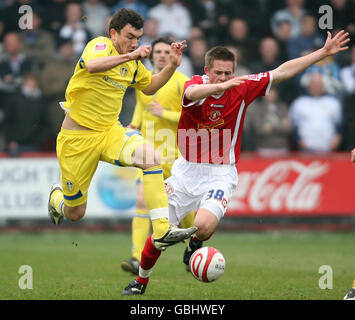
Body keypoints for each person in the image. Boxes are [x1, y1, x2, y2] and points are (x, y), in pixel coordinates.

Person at [122, 29, 350, 295]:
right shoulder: (194, 84)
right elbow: (193, 94)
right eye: (218, 72)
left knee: (204, 227)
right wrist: (219, 86)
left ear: (234, 71)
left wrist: (322, 53)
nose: (223, 78)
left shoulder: (242, 86)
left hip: (220, 173)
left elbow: (283, 71)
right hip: (186, 171)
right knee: (160, 235)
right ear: (207, 70)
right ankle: (141, 281)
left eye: (228, 73)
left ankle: (195, 243)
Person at [47, 8, 197, 250]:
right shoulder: (100, 45)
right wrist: (132, 56)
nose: (134, 43)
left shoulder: (134, 64)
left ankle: (161, 230)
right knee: (75, 213)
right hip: (77, 138)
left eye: (138, 38)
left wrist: (171, 66)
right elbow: (93, 66)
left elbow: (149, 87)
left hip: (109, 132)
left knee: (151, 157)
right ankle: (57, 199)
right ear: (113, 33)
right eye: (129, 37)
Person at [120, 36, 196, 275]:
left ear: (172, 56)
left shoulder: (182, 83)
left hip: (177, 158)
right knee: (142, 201)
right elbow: (140, 113)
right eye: (158, 52)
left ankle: (193, 247)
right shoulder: (146, 82)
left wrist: (165, 113)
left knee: (183, 209)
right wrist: (132, 127)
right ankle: (135, 258)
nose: (162, 55)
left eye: (166, 52)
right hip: (150, 156)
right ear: (152, 56)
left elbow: (193, 119)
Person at [289, 73, 343, 152]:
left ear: (323, 86)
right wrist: (298, 140)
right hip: (305, 150)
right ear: (308, 85)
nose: (316, 86)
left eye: (319, 84)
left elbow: (340, 126)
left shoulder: (333, 103)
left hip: (328, 150)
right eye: (313, 83)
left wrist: (338, 138)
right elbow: (292, 126)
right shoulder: (299, 103)